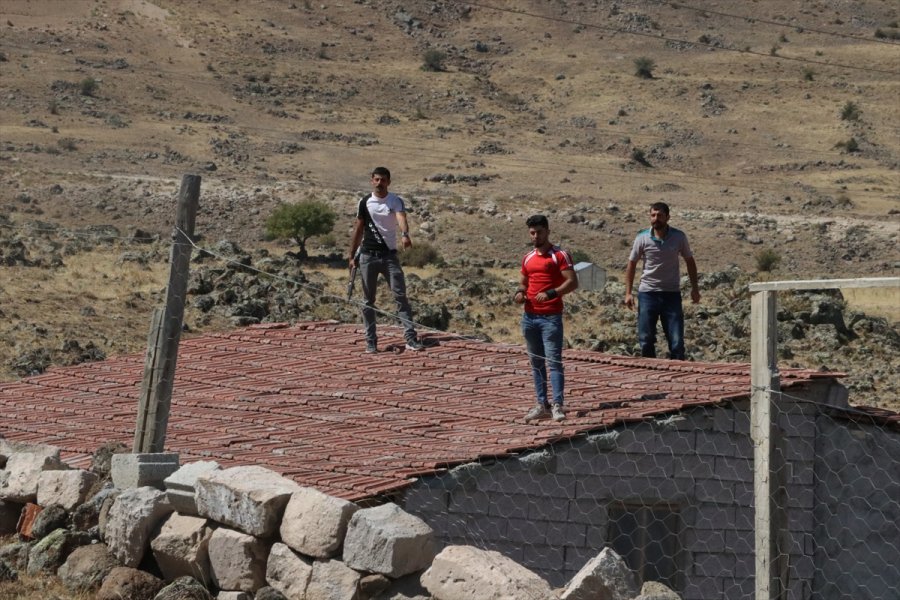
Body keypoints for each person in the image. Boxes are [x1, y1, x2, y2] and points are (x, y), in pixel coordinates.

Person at [348, 167, 423, 353]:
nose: (379, 183)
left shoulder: (395, 201)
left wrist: (405, 234)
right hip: (367, 256)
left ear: (388, 182)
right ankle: (371, 341)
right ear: (372, 181)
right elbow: (358, 228)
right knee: (368, 301)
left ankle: (410, 338)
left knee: (400, 296)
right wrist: (351, 255)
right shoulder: (364, 202)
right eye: (376, 180)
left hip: (389, 256)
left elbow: (401, 217)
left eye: (383, 180)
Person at [516, 215, 578, 422]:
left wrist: (552, 293)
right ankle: (541, 404)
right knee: (536, 362)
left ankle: (558, 404)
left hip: (550, 317)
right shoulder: (528, 257)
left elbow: (572, 282)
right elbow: (524, 281)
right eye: (532, 233)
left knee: (553, 361)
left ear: (548, 232)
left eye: (539, 232)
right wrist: (519, 293)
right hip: (530, 316)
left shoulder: (559, 255)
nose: (535, 236)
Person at [624, 202, 700, 360]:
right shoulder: (642, 238)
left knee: (677, 342)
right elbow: (631, 264)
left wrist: (695, 289)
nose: (655, 218)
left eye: (659, 215)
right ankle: (651, 376)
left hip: (671, 294)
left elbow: (690, 261)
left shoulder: (679, 237)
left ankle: (678, 376)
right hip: (648, 294)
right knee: (646, 340)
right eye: (653, 215)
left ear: (667, 217)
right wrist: (628, 293)